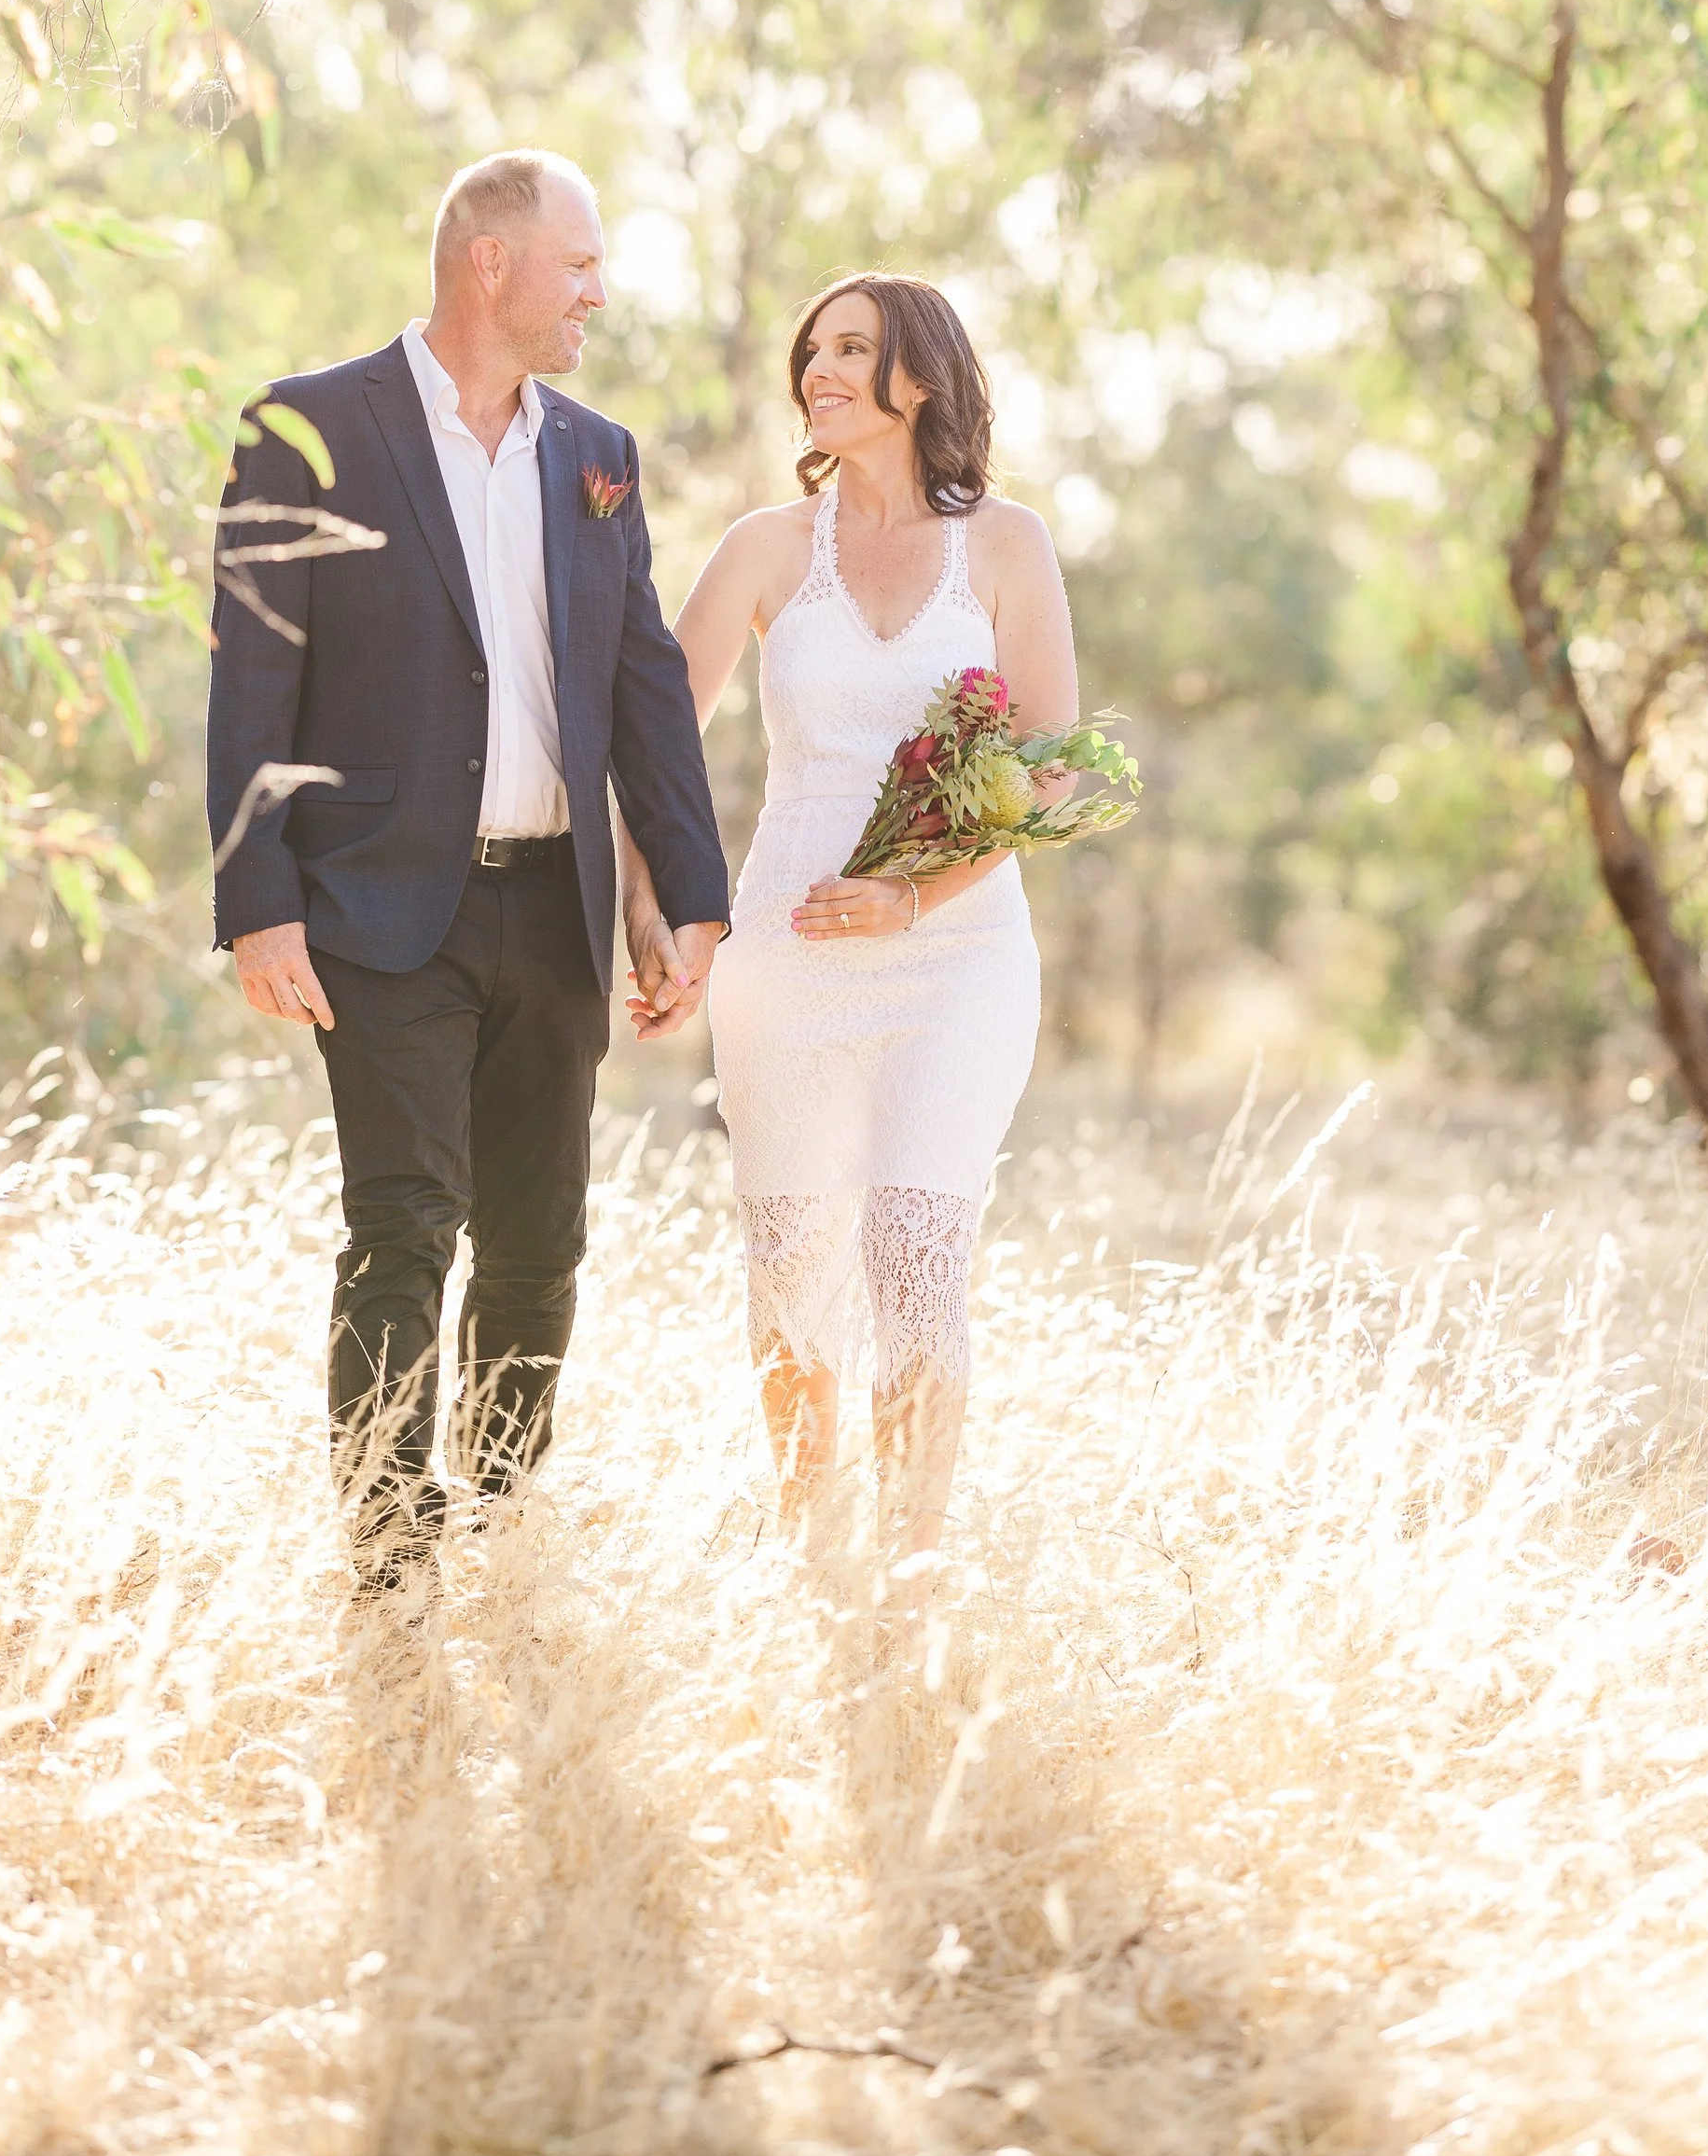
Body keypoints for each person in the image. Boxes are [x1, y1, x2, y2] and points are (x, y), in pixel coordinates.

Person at [207, 150, 729, 1602]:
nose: (598, 293)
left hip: (552, 910)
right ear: (489, 263)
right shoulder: (306, 428)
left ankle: (499, 1523)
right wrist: (258, 898)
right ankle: (388, 1557)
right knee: (401, 1222)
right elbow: (252, 677)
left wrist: (680, 892)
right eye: (580, 263)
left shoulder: (598, 453)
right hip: (378, 905)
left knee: (537, 1248)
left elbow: (644, 688)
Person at [620, 274, 1077, 1602]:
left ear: (919, 380)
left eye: (854, 348)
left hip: (962, 952)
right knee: (795, 1261)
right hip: (789, 952)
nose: (819, 368)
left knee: (915, 1246)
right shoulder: (767, 548)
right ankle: (815, 1574)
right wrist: (665, 921)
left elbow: (1054, 769)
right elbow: (654, 745)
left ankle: (915, 1580)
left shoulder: (1007, 544)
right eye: (812, 349)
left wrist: (918, 893)